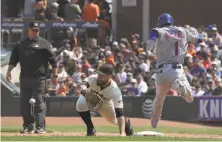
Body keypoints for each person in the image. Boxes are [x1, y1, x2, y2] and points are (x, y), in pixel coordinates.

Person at [146, 13, 200, 128]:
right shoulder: (184, 31)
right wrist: (192, 29)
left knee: (159, 98)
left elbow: (152, 35)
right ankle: (179, 86)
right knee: (189, 98)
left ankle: (154, 122)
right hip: (176, 70)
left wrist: (149, 51)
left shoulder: (159, 30)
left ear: (160, 23)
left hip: (161, 72)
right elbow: (197, 38)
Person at [6, 22, 58, 134]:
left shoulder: (44, 44)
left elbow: (53, 61)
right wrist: (9, 71)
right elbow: (13, 59)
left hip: (39, 77)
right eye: (33, 29)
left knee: (39, 101)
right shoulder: (21, 43)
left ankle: (40, 127)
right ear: (28, 30)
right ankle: (28, 126)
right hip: (24, 77)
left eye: (37, 30)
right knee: (25, 102)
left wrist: (55, 75)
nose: (35, 32)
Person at [75, 64, 134, 136]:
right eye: (98, 73)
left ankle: (126, 121)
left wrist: (122, 133)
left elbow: (120, 113)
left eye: (101, 75)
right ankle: (91, 129)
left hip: (105, 103)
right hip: (89, 97)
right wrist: (85, 92)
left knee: (113, 121)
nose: (98, 76)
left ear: (109, 76)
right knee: (80, 103)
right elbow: (81, 84)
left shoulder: (114, 90)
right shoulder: (93, 78)